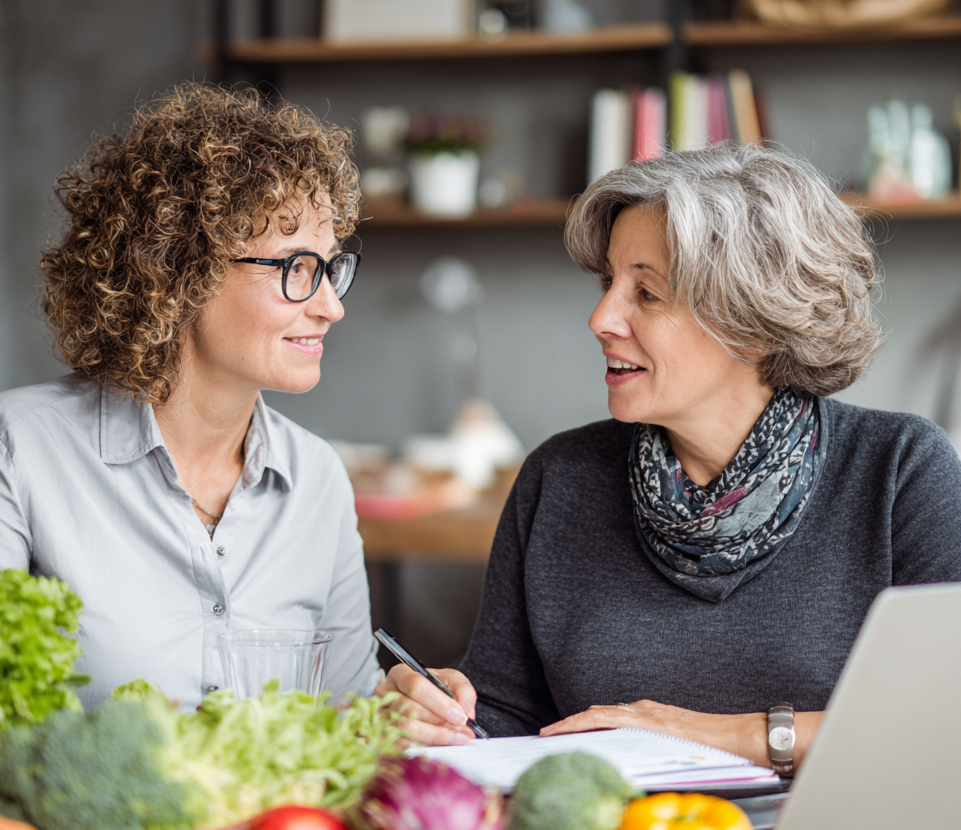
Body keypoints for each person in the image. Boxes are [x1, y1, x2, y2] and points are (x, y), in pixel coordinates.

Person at [377, 143, 961, 769]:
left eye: (646, 294)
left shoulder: (899, 469)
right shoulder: (559, 479)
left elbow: (942, 710)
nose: (602, 317)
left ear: (753, 321)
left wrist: (715, 736)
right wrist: (437, 718)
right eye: (609, 283)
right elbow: (507, 723)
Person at [0, 83, 380, 710]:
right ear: (178, 273)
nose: (331, 306)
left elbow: (347, 715)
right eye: (295, 268)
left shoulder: (318, 480)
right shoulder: (13, 450)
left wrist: (399, 708)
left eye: (330, 267)